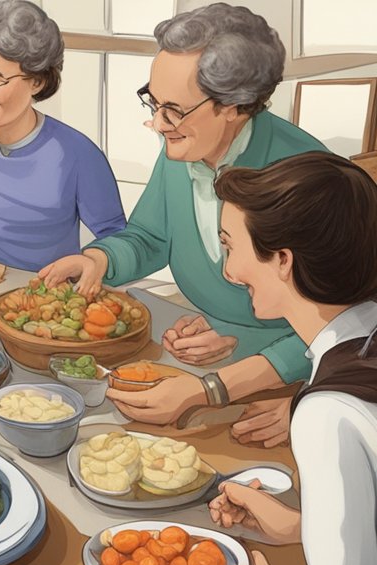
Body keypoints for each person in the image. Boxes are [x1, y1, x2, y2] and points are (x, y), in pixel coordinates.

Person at [39, 4, 328, 446]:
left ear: (233, 105)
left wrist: (251, 366)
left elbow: (347, 322)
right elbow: (152, 236)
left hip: (289, 381)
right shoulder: (187, 146)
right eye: (153, 102)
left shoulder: (305, 177)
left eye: (172, 109)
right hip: (205, 357)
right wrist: (99, 259)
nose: (156, 124)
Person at [205, 152, 377, 565]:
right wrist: (303, 527)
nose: (229, 271)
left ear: (283, 260)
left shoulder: (329, 412)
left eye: (232, 248)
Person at [0, 0, 125, 269]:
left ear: (37, 81)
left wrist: (92, 266)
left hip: (51, 301)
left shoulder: (77, 154)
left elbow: (117, 242)